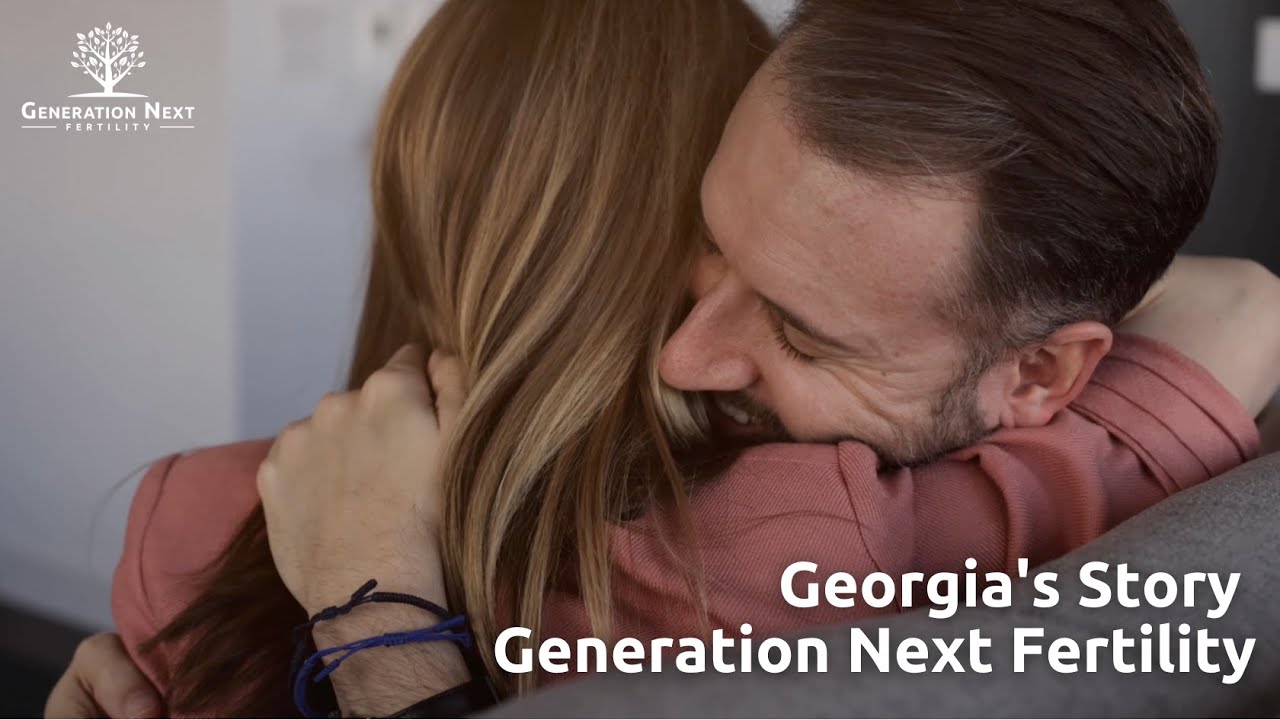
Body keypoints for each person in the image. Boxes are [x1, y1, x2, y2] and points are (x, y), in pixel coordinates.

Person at [57, 0, 1279, 717]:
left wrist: (369, 607)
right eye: (704, 244)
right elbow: (1239, 309)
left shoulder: (188, 527)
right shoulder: (857, 538)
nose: (690, 357)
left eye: (801, 329)